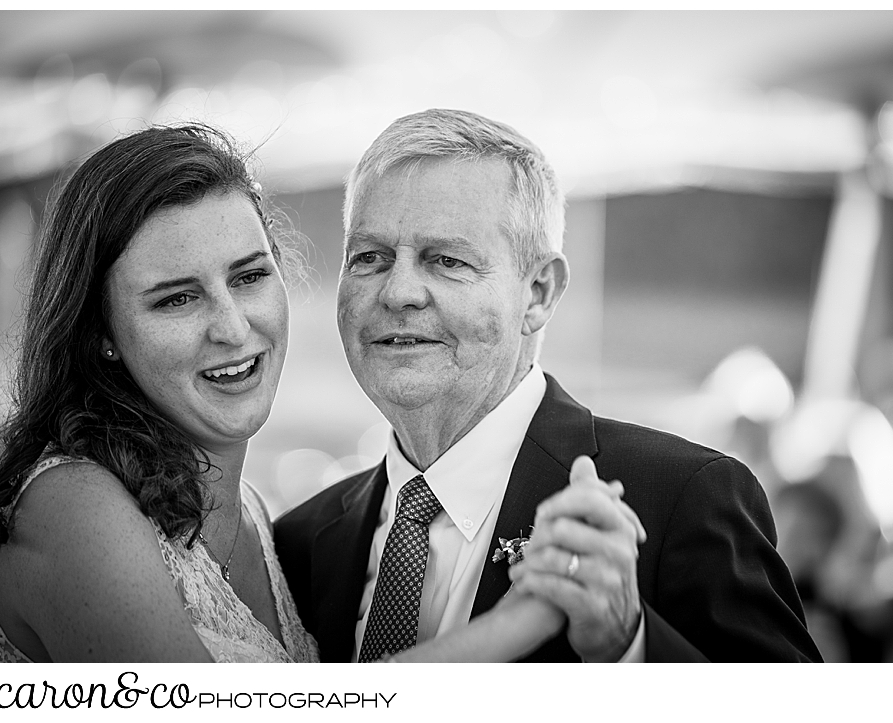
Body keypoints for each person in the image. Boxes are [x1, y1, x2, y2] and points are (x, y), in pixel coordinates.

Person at [0, 123, 576, 663]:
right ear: (102, 334)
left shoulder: (264, 523)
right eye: (176, 298)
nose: (233, 328)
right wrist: (528, 618)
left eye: (248, 277)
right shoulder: (74, 508)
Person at [274, 108, 823, 662]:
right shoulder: (297, 544)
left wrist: (627, 644)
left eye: (446, 260)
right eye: (369, 258)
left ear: (538, 293)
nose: (398, 292)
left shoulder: (685, 498)